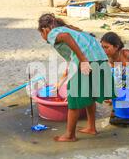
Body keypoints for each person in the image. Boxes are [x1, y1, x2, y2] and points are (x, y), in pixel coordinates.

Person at [38, 14, 115, 142]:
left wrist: (83, 60)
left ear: (45, 29)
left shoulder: (54, 32)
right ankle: (91, 127)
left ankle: (69, 135)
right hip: (99, 59)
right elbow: (71, 61)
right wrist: (61, 81)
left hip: (86, 60)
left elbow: (65, 38)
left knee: (73, 99)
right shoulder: (71, 30)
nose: (43, 37)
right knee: (89, 95)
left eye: (41, 34)